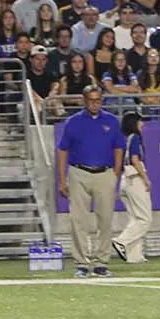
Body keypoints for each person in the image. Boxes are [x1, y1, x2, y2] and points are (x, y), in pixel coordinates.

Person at [56, 85, 124, 278]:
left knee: (105, 219)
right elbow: (62, 150)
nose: (95, 104)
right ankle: (82, 263)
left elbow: (119, 147)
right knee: (78, 220)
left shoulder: (111, 121)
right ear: (84, 101)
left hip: (105, 173)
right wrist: (62, 180)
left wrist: (115, 174)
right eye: (91, 100)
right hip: (79, 173)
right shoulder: (73, 122)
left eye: (98, 100)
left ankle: (101, 262)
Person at [111, 111, 152, 265]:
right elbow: (135, 159)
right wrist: (145, 178)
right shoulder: (135, 137)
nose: (143, 124)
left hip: (124, 179)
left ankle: (134, 256)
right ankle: (120, 241)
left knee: (134, 219)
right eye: (140, 121)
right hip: (135, 178)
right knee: (145, 219)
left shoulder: (123, 138)